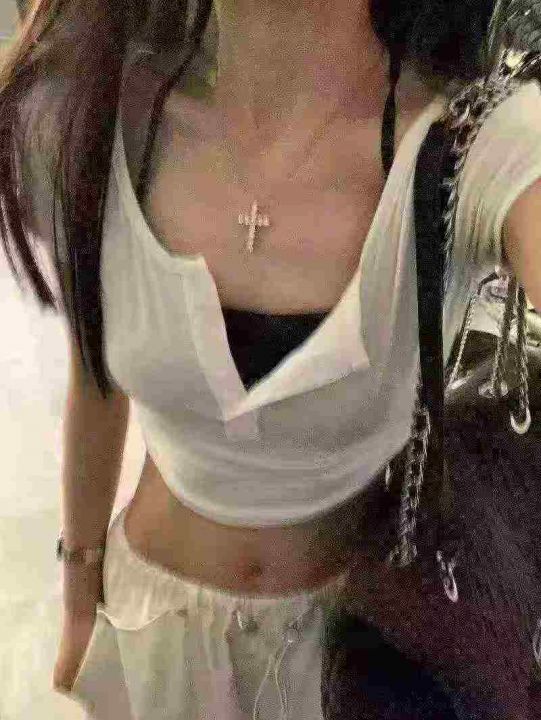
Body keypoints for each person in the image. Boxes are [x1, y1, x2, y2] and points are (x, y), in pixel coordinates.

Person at [1, 0, 541, 718]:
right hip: (151, 629)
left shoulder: (476, 143)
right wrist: (78, 601)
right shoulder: (94, 121)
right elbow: (95, 378)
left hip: (357, 663)